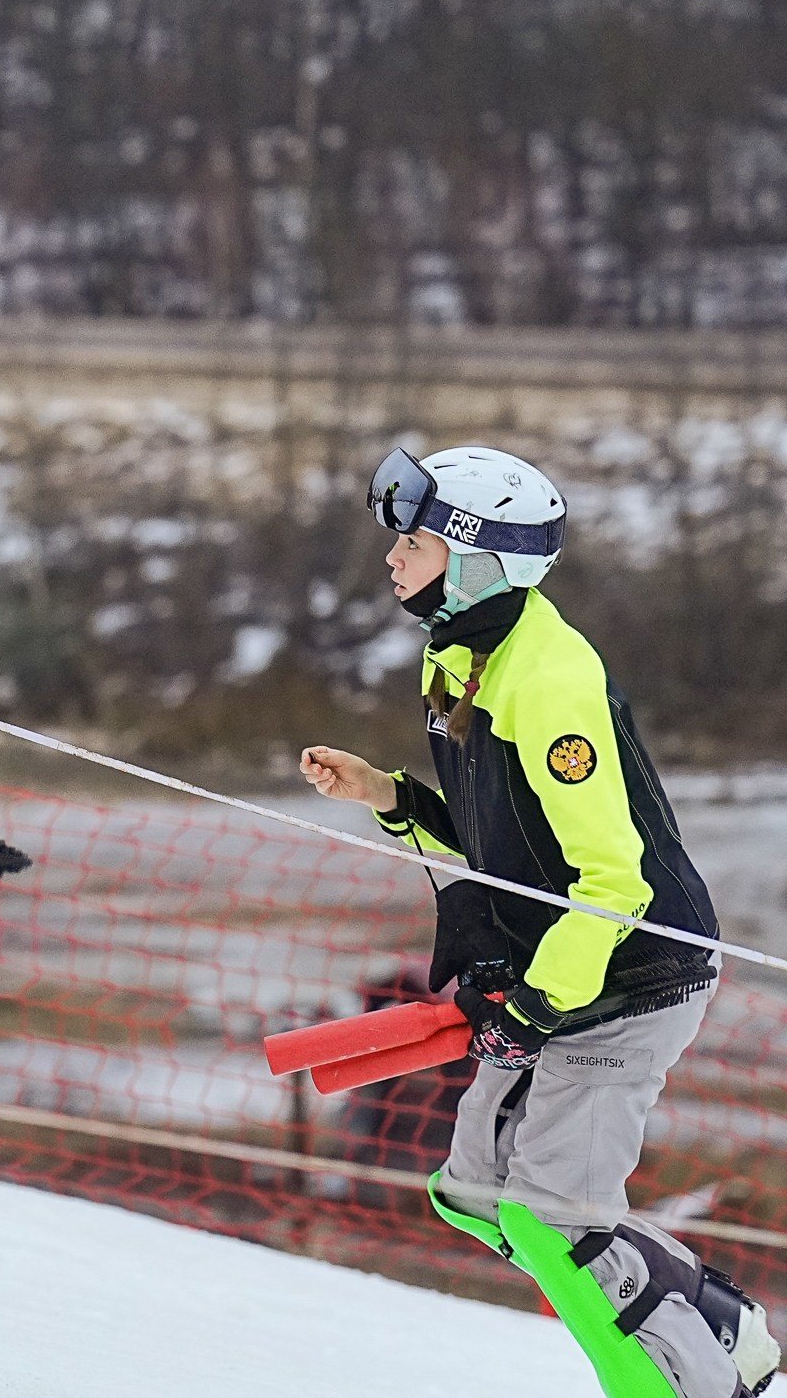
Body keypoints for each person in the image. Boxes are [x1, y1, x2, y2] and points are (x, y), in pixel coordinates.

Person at [300, 445, 775, 1398]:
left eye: (416, 540)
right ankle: (721, 1319)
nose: (393, 555)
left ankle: (704, 1382)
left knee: (554, 1216)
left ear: (480, 562)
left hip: (634, 975)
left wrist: (534, 1008)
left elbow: (612, 880)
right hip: (560, 975)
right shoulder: (457, 653)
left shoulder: (551, 679)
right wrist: (389, 795)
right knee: (475, 1193)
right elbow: (501, 835)